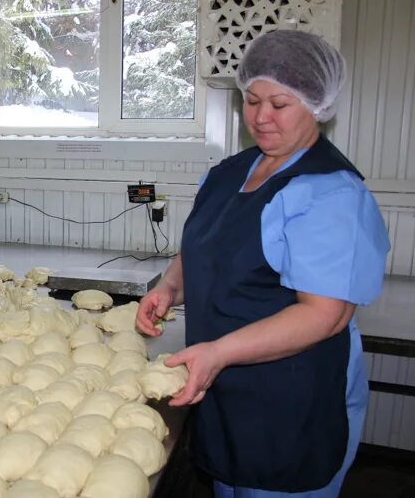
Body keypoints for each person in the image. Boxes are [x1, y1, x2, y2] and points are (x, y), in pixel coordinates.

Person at [136, 30, 390, 497]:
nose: (261, 117)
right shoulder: (228, 173)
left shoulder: (331, 193)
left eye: (280, 104)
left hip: (289, 398)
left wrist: (220, 353)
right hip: (222, 384)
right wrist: (170, 288)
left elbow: (326, 314)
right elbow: (201, 251)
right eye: (252, 100)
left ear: (317, 104)